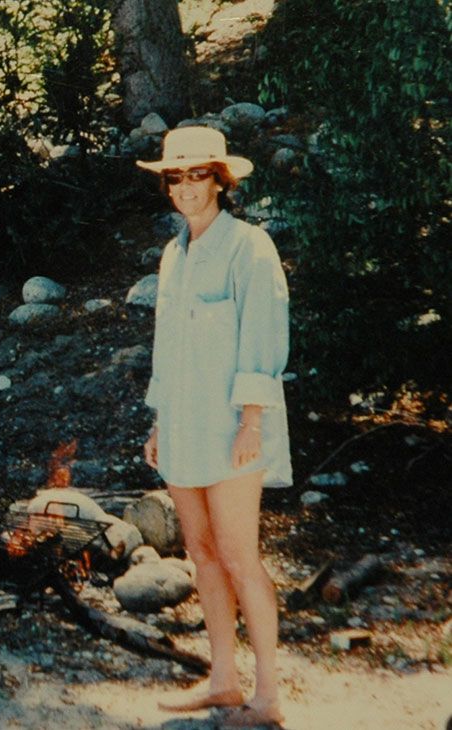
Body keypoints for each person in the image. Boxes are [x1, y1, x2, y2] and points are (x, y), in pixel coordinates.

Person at [138, 127, 291, 727]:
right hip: (182, 425)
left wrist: (251, 421)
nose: (185, 187)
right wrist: (158, 420)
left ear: (221, 180)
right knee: (201, 552)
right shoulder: (173, 254)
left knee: (238, 555)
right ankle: (223, 679)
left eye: (197, 174)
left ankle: (269, 694)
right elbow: (166, 350)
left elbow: (263, 337)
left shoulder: (250, 247)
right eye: (174, 177)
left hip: (233, 430)